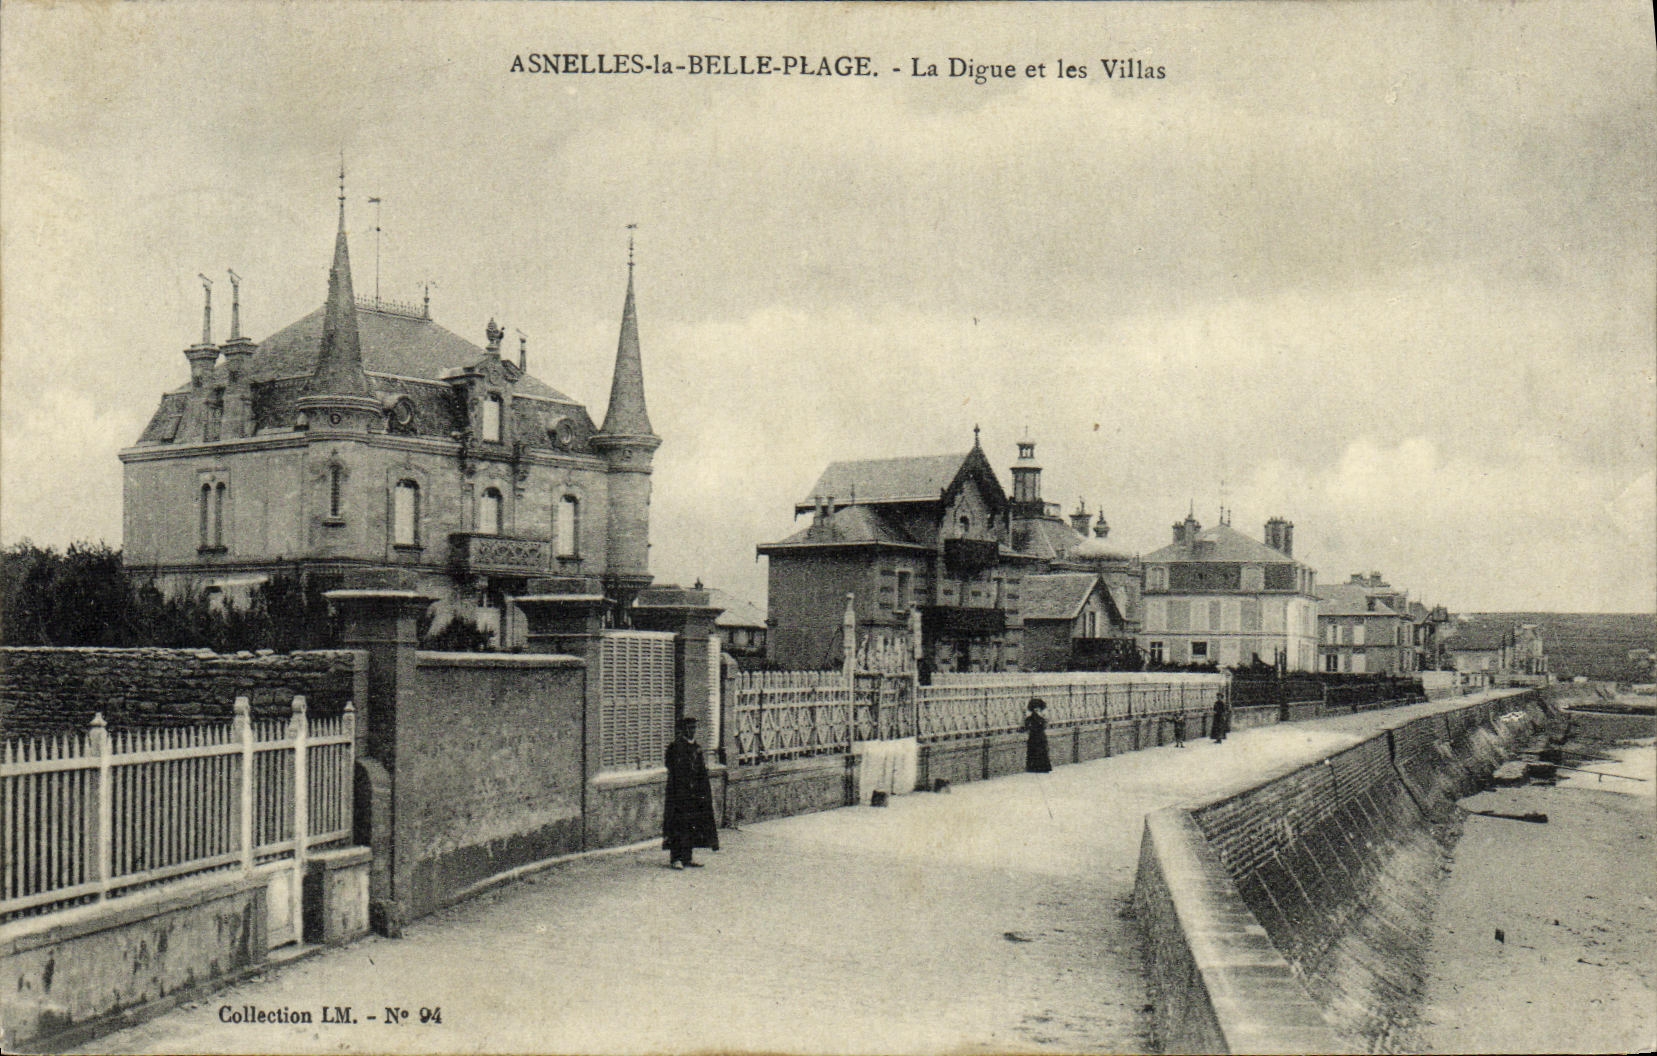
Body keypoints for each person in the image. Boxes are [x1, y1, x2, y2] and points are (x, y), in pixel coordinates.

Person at [663, 716, 719, 869]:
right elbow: (670, 766)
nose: (692, 731)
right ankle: (676, 858)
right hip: (679, 794)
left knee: (691, 824)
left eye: (694, 728)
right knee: (678, 824)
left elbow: (701, 770)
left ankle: (688, 857)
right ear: (683, 730)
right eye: (689, 728)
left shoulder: (697, 748)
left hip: (694, 794)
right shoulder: (675, 747)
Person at [1023, 698, 1052, 773]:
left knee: (1037, 751)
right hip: (1038, 736)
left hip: (1036, 737)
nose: (1037, 711)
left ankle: (1035, 767)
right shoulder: (1039, 718)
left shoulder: (1031, 718)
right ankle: (1039, 767)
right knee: (1039, 751)